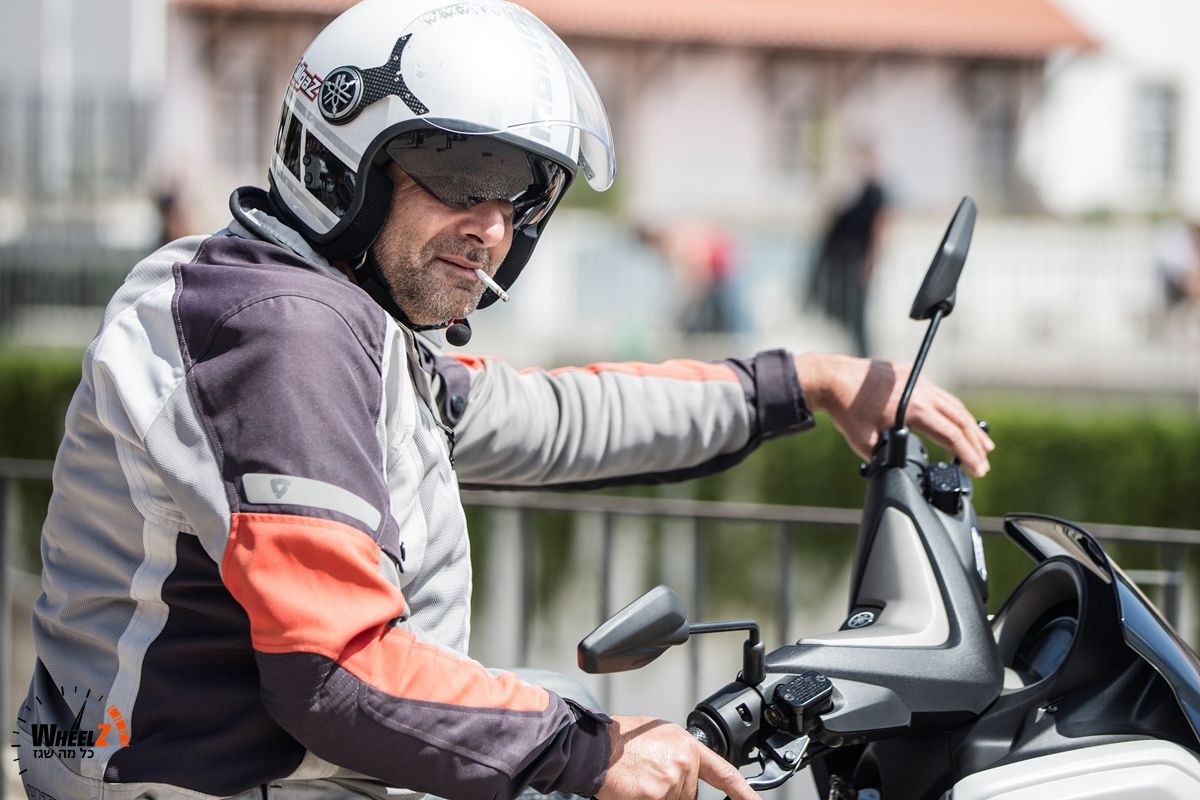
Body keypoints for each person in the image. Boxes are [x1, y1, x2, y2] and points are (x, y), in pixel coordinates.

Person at [16, 2, 993, 799]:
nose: (492, 225)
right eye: (466, 173)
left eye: (524, 192)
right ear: (343, 158)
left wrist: (803, 382)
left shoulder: (325, 315)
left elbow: (550, 417)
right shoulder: (283, 332)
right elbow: (338, 670)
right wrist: (588, 748)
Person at [806, 144, 887, 357]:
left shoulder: (874, 192)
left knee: (856, 317)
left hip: (854, 262)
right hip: (838, 263)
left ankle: (864, 358)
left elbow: (878, 227)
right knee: (839, 313)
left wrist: (870, 261)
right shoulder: (853, 194)